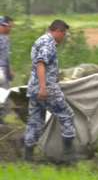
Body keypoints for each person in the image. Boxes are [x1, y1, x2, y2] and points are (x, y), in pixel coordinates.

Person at [24, 20, 76, 163]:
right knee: (67, 116)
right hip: (46, 88)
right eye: (64, 33)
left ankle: (27, 157)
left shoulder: (40, 40)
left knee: (35, 122)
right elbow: (41, 63)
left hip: (33, 88)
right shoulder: (49, 43)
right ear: (57, 31)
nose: (64, 36)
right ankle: (68, 157)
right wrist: (43, 87)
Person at [0, 16, 14, 124]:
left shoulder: (5, 38)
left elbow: (6, 57)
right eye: (9, 26)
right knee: (3, 95)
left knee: (3, 96)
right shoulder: (2, 38)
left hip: (3, 69)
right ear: (3, 25)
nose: (11, 28)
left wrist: (9, 70)